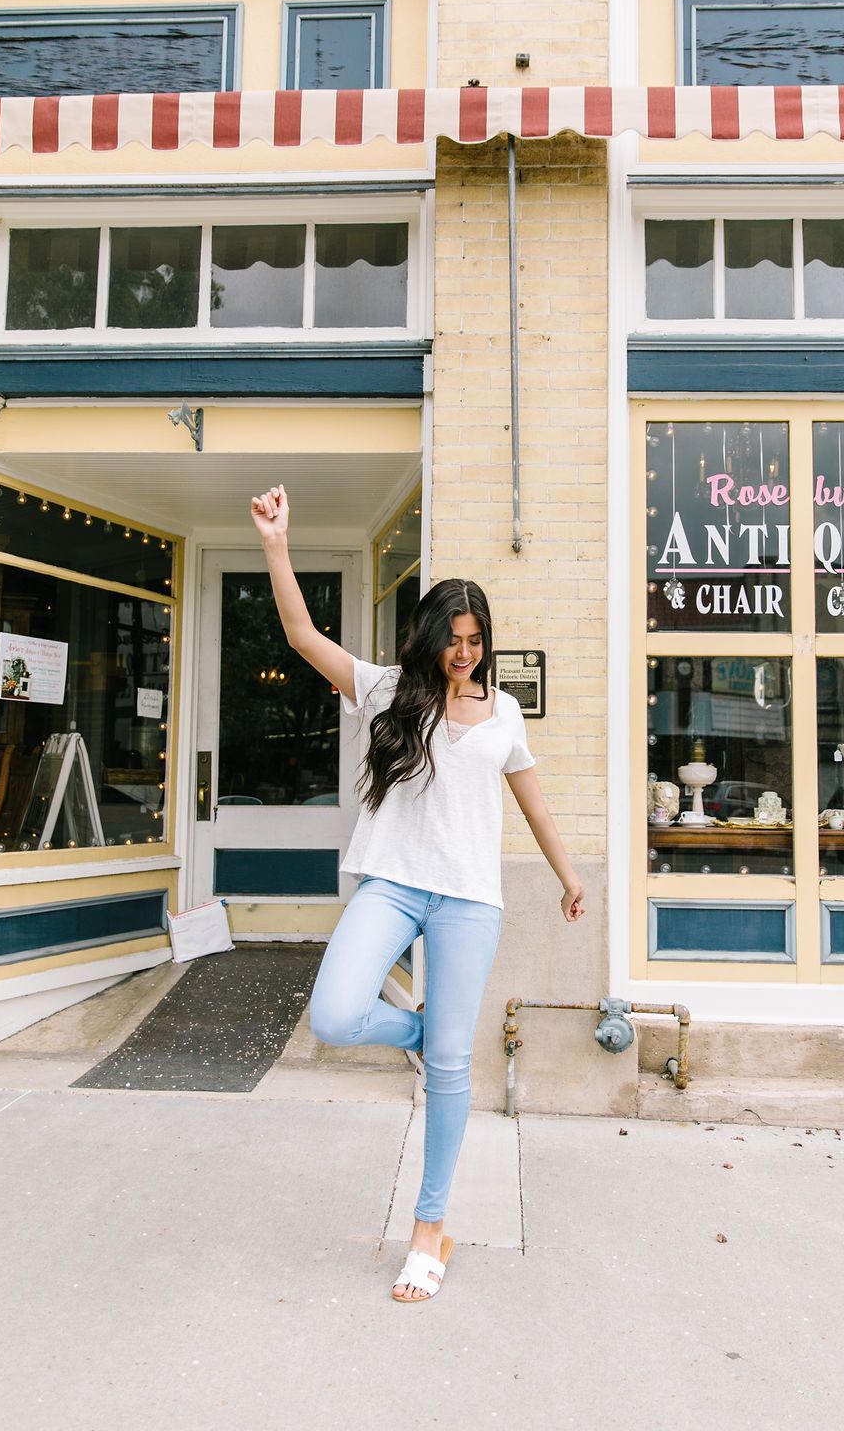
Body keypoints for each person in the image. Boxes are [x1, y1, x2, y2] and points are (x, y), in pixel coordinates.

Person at [251, 484, 584, 1303]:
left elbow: (534, 805)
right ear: (431, 635)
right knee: (335, 1014)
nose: (465, 653)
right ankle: (429, 1029)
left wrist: (570, 878)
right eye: (454, 638)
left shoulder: (504, 712)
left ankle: (430, 1227)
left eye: (476, 640)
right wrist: (276, 544)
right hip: (394, 885)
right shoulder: (389, 690)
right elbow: (301, 635)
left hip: (469, 899)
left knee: (445, 1073)